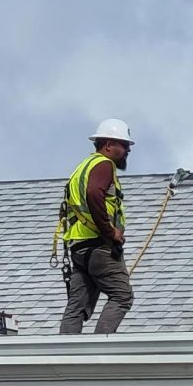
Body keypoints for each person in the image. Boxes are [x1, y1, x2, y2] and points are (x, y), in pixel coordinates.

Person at [58, 119, 136, 334]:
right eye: (124, 144)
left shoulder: (83, 167)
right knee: (122, 296)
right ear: (108, 144)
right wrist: (110, 231)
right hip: (99, 247)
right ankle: (100, 349)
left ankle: (65, 353)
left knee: (77, 305)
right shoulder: (104, 164)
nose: (127, 150)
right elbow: (94, 193)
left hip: (79, 248)